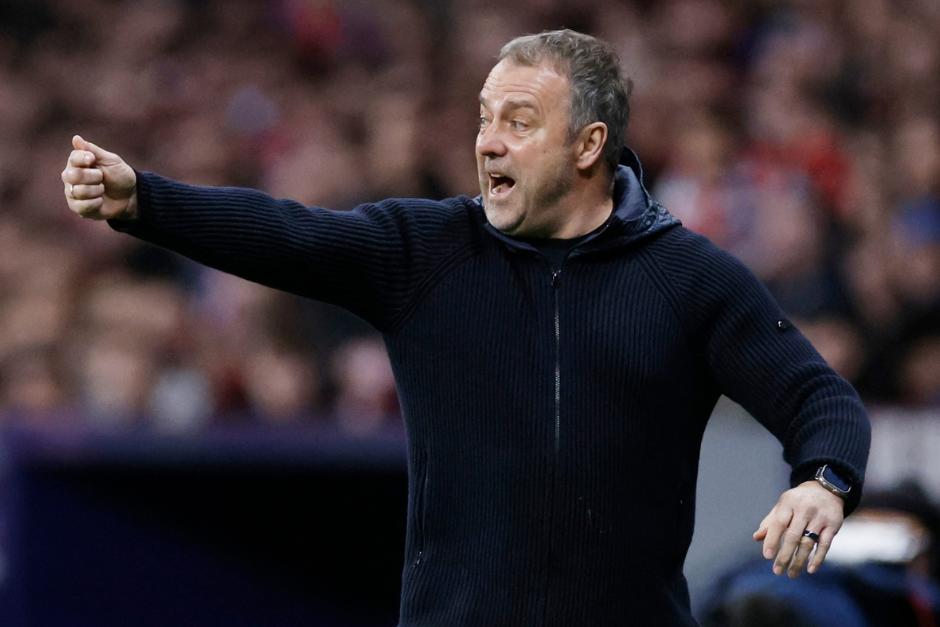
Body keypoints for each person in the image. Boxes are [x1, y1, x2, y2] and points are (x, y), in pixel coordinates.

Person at [62, 29, 870, 627]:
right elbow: (288, 233)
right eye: (485, 118)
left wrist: (822, 480)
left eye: (518, 120)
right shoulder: (424, 251)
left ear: (589, 144)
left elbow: (818, 399)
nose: (488, 140)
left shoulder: (688, 277)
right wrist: (144, 200)